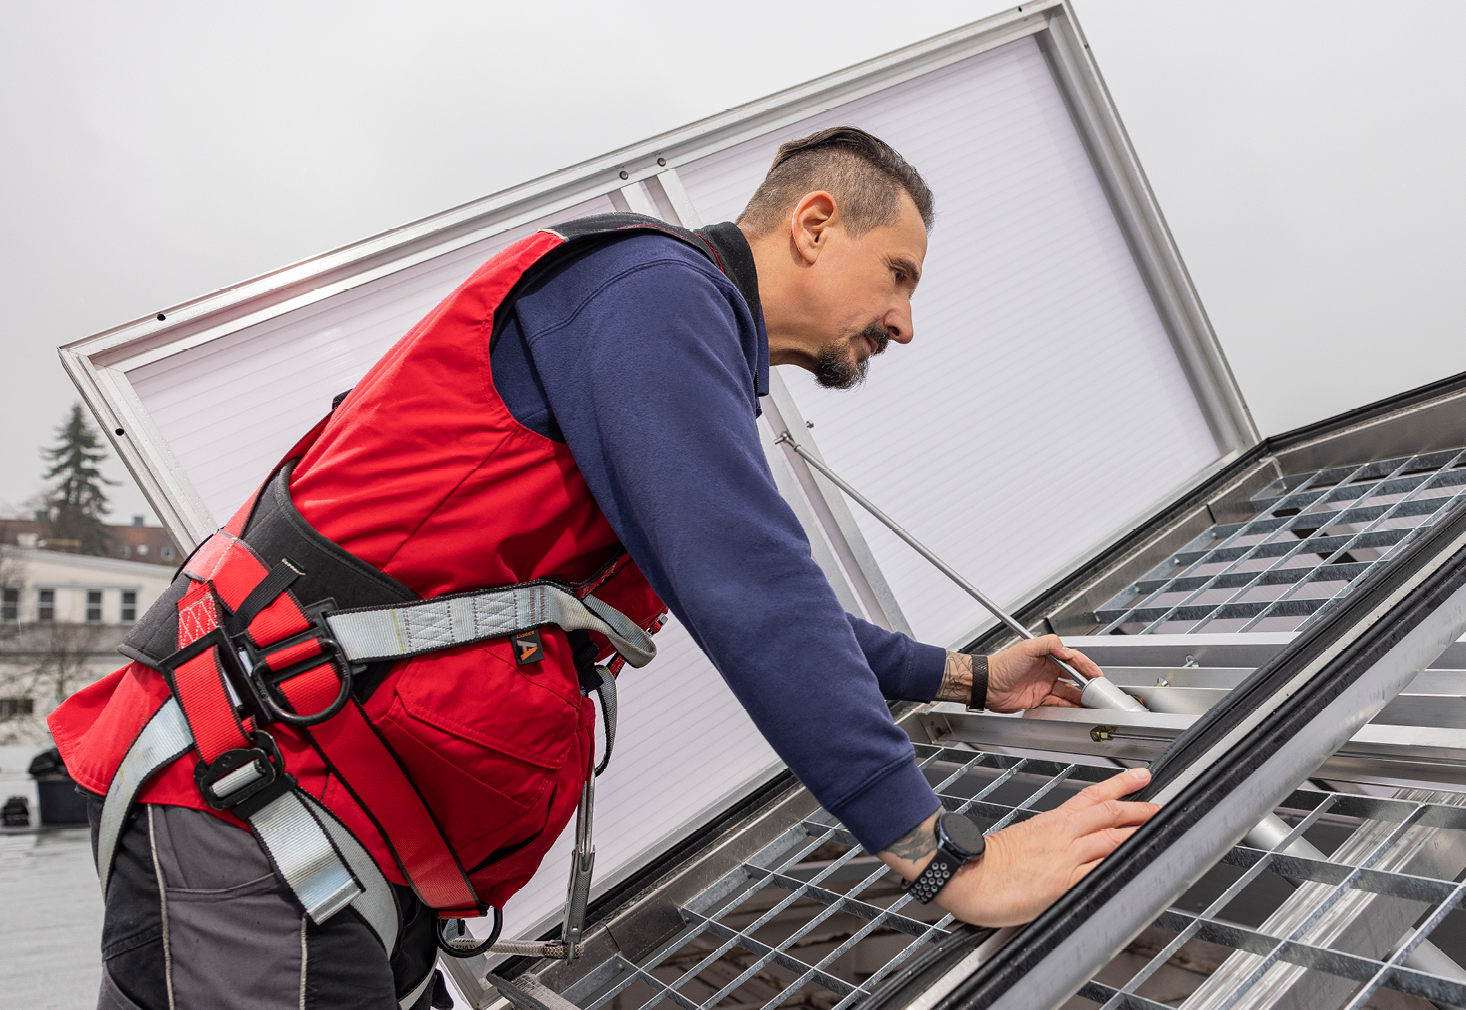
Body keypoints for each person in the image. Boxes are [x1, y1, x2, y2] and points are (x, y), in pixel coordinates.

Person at [51, 126, 1159, 1009]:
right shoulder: (650, 295)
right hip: (256, 816)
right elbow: (752, 590)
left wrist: (969, 677)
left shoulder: (657, 334)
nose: (906, 324)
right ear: (816, 223)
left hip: (318, 831)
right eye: (899, 275)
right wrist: (944, 860)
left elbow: (774, 603)